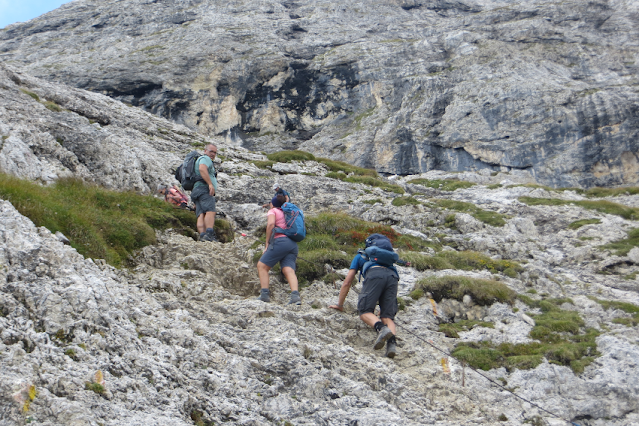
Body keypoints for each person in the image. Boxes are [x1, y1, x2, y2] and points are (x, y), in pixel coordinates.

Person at [329, 235, 400, 358]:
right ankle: (391, 344)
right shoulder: (388, 261)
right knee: (387, 316)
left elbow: (347, 282)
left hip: (374, 274)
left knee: (364, 312)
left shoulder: (360, 256)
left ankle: (381, 329)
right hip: (393, 277)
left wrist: (340, 304)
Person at [256, 193, 301, 305]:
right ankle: (295, 296)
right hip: (292, 244)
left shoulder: (273, 211)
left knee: (261, 266)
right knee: (288, 270)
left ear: (273, 204)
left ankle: (264, 295)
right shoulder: (287, 212)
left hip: (280, 241)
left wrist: (267, 243)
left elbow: (271, 224)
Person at [190, 144, 218, 242]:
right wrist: (210, 184)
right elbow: (202, 168)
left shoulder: (199, 159)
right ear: (205, 151)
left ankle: (202, 235)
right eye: (211, 151)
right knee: (210, 211)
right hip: (204, 189)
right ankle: (209, 235)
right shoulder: (205, 159)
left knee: (201, 213)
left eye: (215, 152)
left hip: (196, 190)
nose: (213, 154)